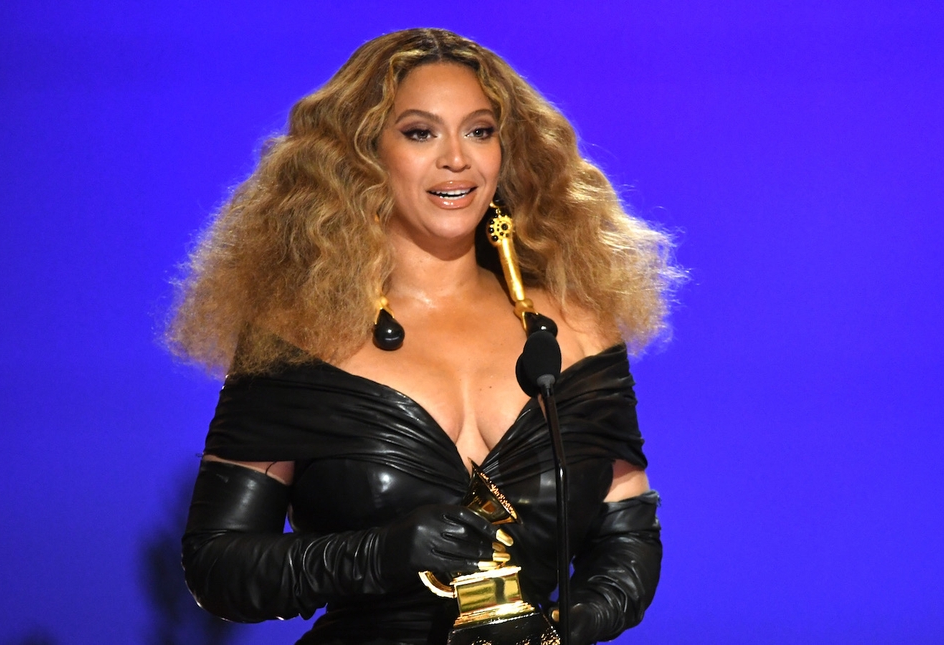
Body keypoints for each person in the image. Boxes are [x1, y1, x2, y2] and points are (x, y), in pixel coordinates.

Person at [168, 28, 679, 645]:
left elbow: (627, 541)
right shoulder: (297, 339)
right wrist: (384, 552)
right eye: (421, 132)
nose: (457, 158)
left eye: (480, 130)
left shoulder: (580, 328)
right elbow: (218, 566)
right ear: (363, 155)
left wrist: (560, 629)